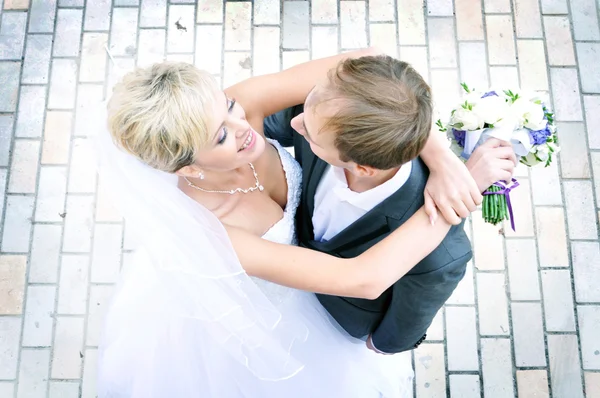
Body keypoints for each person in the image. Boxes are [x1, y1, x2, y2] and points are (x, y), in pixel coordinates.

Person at [96, 49, 514, 397]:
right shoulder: (213, 230)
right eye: (220, 137)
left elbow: (368, 66)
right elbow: (362, 279)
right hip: (277, 312)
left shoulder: (244, 110)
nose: (243, 128)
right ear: (187, 170)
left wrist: (442, 162)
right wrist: (467, 189)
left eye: (228, 108)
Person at [260, 55, 516, 354]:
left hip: (338, 320)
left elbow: (404, 325)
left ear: (363, 168)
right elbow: (268, 121)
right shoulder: (326, 110)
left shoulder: (440, 255)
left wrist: (381, 345)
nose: (296, 123)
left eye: (310, 135)